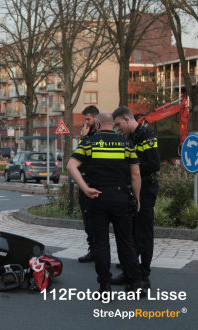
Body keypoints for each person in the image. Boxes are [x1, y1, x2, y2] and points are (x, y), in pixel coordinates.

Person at [67, 112, 145, 297]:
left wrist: (86, 189)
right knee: (126, 241)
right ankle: (135, 283)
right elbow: (135, 175)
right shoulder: (126, 143)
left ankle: (105, 287)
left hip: (96, 197)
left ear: (99, 124)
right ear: (113, 125)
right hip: (120, 197)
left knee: (101, 243)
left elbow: (71, 165)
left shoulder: (88, 143)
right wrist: (137, 198)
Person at [111, 106, 160, 289]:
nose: (117, 129)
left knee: (144, 234)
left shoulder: (147, 135)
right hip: (133, 189)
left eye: (118, 124)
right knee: (131, 233)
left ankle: (144, 276)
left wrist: (133, 167)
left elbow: (154, 164)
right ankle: (131, 272)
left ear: (126, 119)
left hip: (146, 188)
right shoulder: (129, 138)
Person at [77, 105, 99, 263]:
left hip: (94, 181)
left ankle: (98, 250)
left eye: (88, 119)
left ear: (96, 118)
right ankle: (92, 249)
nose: (86, 122)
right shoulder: (86, 133)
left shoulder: (99, 135)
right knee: (86, 217)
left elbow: (89, 155)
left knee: (94, 219)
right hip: (84, 180)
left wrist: (84, 138)